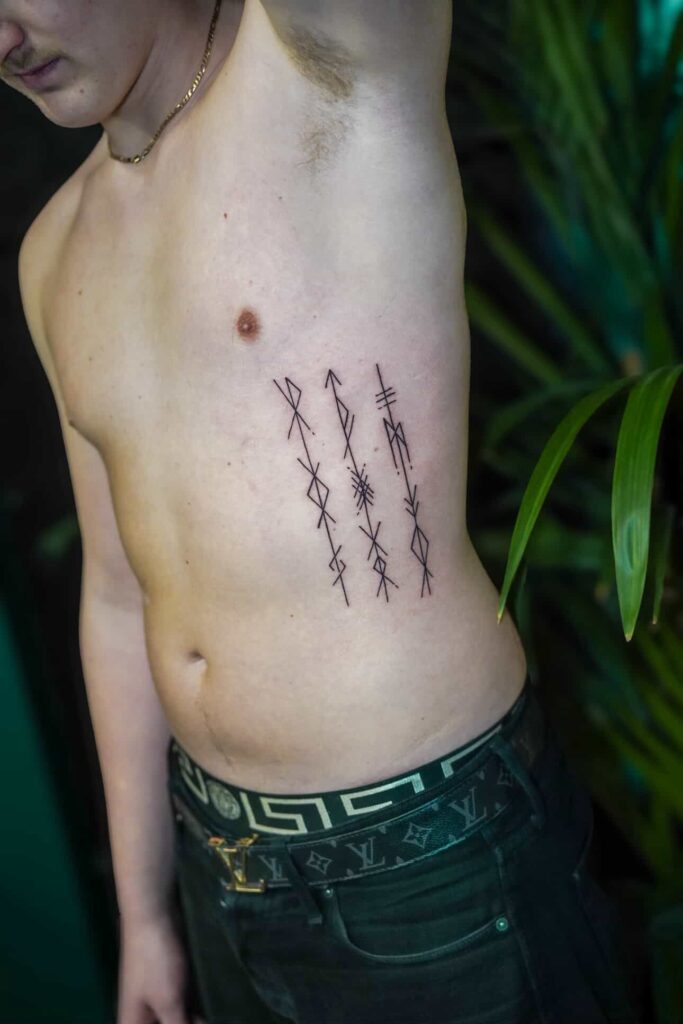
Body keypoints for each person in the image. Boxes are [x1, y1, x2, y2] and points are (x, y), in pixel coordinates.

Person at [6, 1, 639, 1021]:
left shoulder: (330, 66)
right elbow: (119, 596)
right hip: (221, 872)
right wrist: (147, 918)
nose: (4, 42)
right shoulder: (53, 250)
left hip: (431, 867)